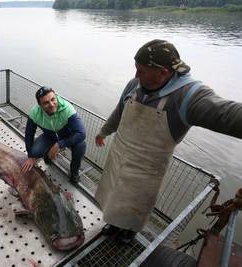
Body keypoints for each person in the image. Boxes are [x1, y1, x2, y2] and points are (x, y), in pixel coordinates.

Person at [95, 39, 242, 245]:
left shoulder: (189, 96)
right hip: (119, 156)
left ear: (163, 73)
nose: (136, 75)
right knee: (113, 198)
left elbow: (227, 115)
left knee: (134, 208)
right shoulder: (134, 85)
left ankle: (129, 232)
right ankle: (114, 224)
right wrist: (104, 131)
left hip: (146, 172)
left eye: (142, 71)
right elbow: (118, 113)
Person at [21, 86, 87, 184]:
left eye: (53, 99)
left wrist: (60, 144)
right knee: (35, 152)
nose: (51, 104)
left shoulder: (67, 108)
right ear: (40, 105)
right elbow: (29, 134)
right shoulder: (35, 113)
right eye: (46, 103)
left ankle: (74, 172)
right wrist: (30, 156)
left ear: (56, 97)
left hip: (68, 136)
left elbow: (81, 133)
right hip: (50, 135)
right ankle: (47, 156)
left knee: (81, 145)